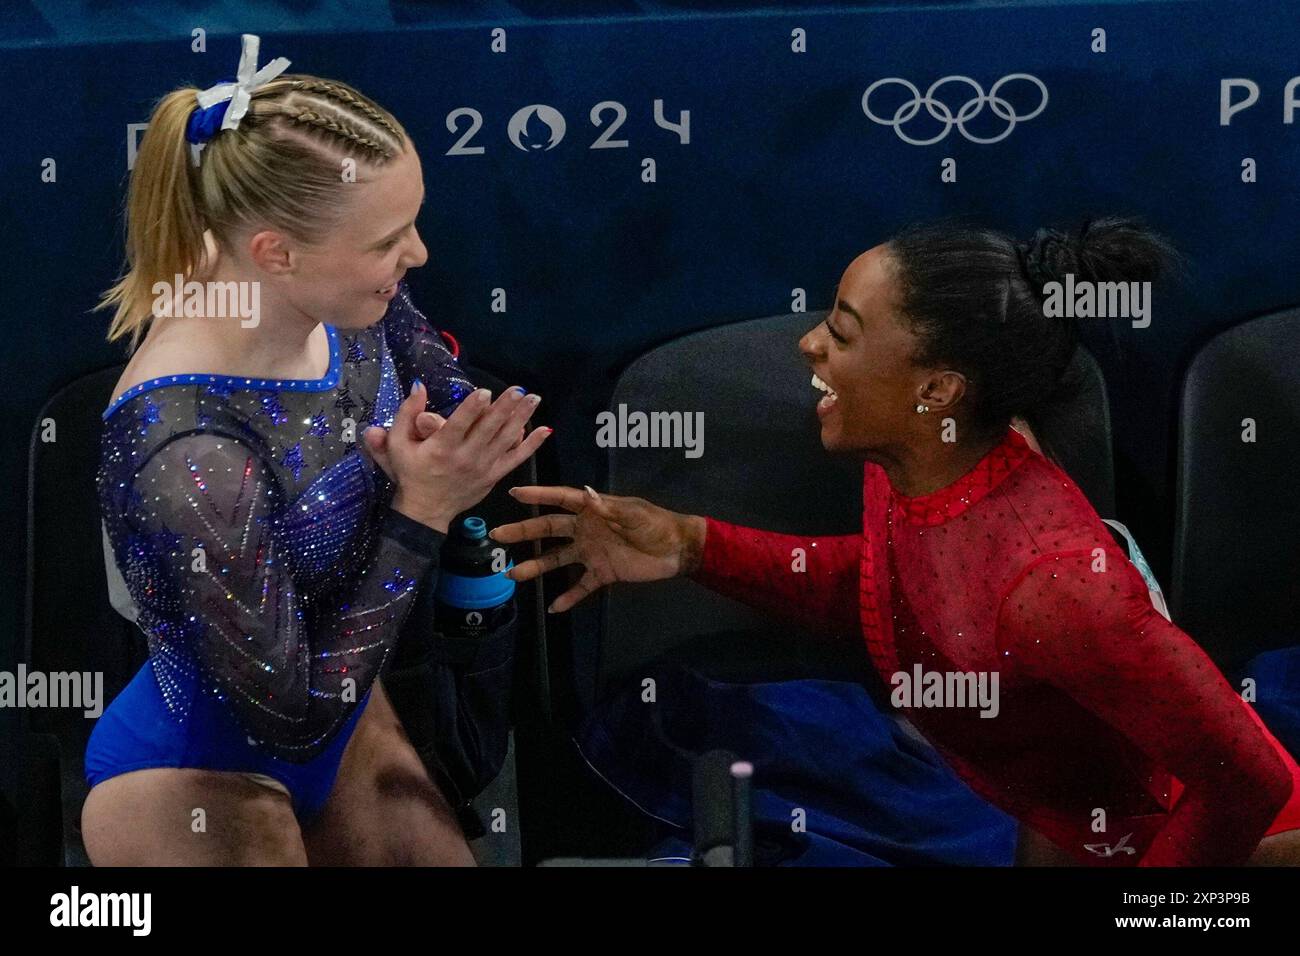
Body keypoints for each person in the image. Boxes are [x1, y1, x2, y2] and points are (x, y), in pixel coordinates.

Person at [491, 216, 1300, 866]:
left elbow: (1248, 782)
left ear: (937, 388)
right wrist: (691, 544)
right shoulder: (917, 463)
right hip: (1071, 813)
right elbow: (893, 592)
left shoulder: (1059, 587)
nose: (809, 344)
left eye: (843, 334)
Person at [82, 36, 549, 865]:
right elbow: (290, 724)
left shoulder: (337, 302)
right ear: (276, 251)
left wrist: (446, 449)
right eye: (388, 241)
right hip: (194, 771)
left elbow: (459, 408)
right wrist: (421, 510)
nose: (417, 256)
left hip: (348, 704)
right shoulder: (187, 450)